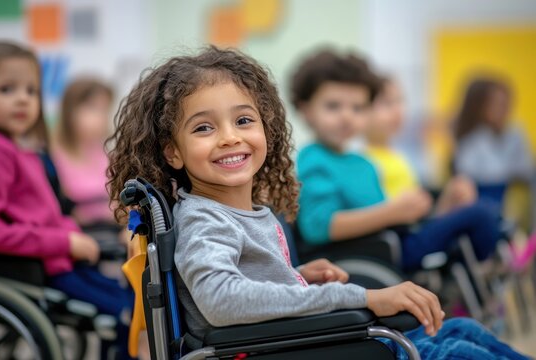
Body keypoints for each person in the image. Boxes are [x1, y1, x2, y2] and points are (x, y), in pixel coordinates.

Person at [107, 45, 529, 359]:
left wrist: (297, 275)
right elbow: (222, 302)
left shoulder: (242, 211)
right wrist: (362, 298)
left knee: (461, 330)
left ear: (266, 130)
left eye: (243, 120)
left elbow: (237, 283)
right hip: (294, 347)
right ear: (173, 152)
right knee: (455, 351)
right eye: (203, 128)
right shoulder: (204, 219)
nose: (230, 136)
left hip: (302, 338)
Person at [292, 49, 500, 271]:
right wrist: (392, 212)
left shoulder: (361, 163)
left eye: (358, 108)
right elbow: (318, 227)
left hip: (394, 240)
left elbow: (388, 216)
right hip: (379, 253)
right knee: (481, 214)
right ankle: (478, 275)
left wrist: (420, 207)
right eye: (333, 106)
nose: (347, 116)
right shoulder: (314, 159)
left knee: (482, 209)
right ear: (306, 110)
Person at [0, 41, 134, 360]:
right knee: (127, 312)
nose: (22, 99)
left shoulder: (24, 151)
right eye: (6, 89)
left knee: (134, 304)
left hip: (61, 261)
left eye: (31, 91)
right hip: (47, 267)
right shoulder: (2, 152)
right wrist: (64, 242)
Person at [365, 76, 477, 216]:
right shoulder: (364, 161)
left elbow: (420, 214)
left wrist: (449, 198)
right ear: (362, 112)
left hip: (414, 225)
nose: (397, 111)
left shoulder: (399, 155)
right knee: (479, 214)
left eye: (399, 102)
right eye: (387, 103)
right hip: (397, 232)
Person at [453, 77, 533, 208]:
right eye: (497, 104)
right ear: (481, 107)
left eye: (506, 104)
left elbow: (527, 169)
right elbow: (468, 172)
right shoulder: (472, 137)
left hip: (511, 201)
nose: (503, 110)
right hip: (481, 201)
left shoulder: (516, 132)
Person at [52, 77, 115, 227]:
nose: (101, 117)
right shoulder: (52, 157)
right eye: (92, 108)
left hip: (110, 232)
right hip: (76, 235)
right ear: (70, 111)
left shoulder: (108, 155)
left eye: (105, 109)